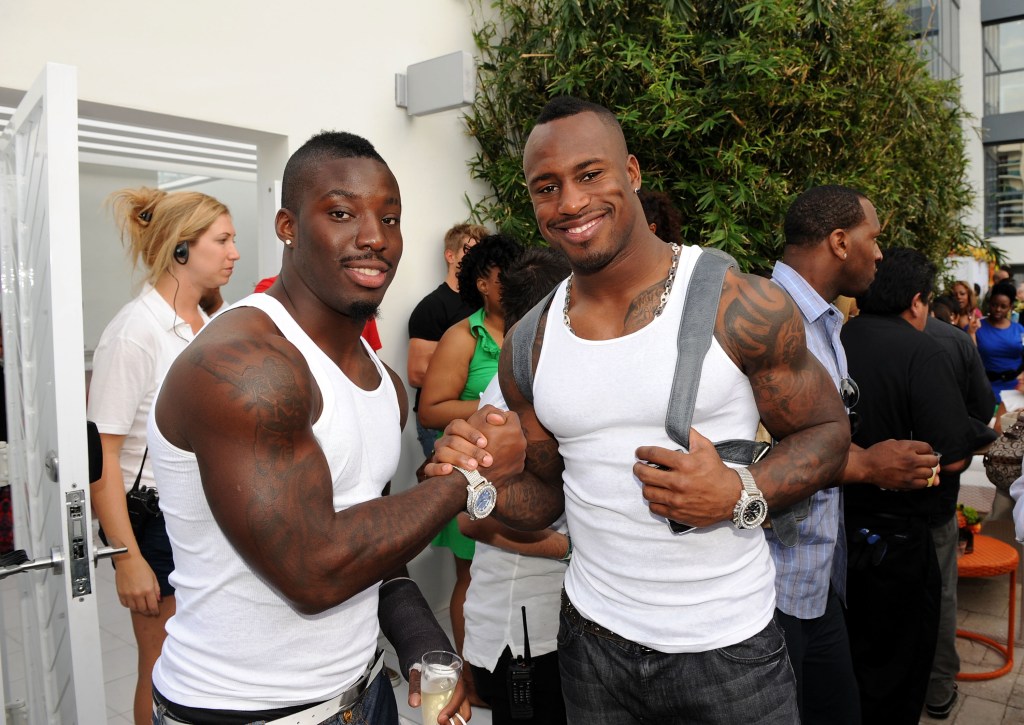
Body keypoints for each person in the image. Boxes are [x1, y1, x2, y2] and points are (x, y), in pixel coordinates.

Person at [426, 96, 854, 724]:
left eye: (590, 174)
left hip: (729, 649)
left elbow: (827, 432)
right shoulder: (531, 341)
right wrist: (478, 485)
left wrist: (740, 492)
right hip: (591, 646)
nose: (570, 202)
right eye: (548, 187)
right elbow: (547, 497)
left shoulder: (738, 304)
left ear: (632, 171)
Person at [147, 131, 472, 725]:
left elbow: (369, 541)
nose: (375, 237)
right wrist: (463, 482)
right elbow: (314, 569)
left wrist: (423, 642)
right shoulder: (246, 367)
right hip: (246, 712)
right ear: (287, 226)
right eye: (342, 213)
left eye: (390, 217)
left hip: (362, 695)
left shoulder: (381, 380)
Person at [770, 185, 939, 724]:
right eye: (875, 238)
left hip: (819, 581)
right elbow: (757, 451)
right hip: (771, 592)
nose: (881, 253)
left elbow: (810, 433)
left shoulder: (826, 323)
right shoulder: (768, 319)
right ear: (841, 242)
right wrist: (867, 465)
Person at [87, 186, 239, 725]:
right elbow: (97, 460)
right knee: (161, 665)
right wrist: (126, 558)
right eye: (222, 240)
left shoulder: (206, 322)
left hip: (202, 514)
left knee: (203, 664)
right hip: (153, 525)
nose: (234, 253)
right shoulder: (134, 333)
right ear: (181, 249)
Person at [841, 247, 973, 724]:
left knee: (850, 655)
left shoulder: (834, 338)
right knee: (898, 665)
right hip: (899, 538)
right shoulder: (923, 352)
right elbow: (954, 454)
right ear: (918, 301)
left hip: (838, 524)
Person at [460, 246, 572, 725]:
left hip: (562, 623)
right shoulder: (504, 402)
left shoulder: (561, 384)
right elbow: (471, 521)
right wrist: (572, 548)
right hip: (523, 628)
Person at [418, 232, 524, 705]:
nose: (517, 283)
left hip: (518, 477)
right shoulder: (464, 336)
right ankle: (473, 680)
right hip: (471, 474)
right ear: (482, 282)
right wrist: (488, 406)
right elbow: (429, 408)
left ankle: (507, 671)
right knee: (472, 578)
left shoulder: (533, 327)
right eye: (507, 276)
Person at [923, 291, 997, 719]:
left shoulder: (848, 336)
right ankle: (936, 688)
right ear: (921, 298)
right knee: (941, 588)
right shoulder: (951, 341)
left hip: (865, 494)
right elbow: (983, 409)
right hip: (935, 491)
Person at [408, 223, 490, 457]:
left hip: (481, 419)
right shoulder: (432, 306)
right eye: (469, 250)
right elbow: (417, 373)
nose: (476, 258)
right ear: (450, 255)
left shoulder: (486, 304)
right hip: (440, 424)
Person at [975, 281, 1024, 401]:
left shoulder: (1020, 330)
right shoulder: (976, 327)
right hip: (984, 389)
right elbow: (969, 357)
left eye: (1003, 306)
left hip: (1015, 390)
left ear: (1011, 307)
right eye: (994, 304)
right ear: (989, 303)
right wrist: (971, 332)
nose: (998, 309)